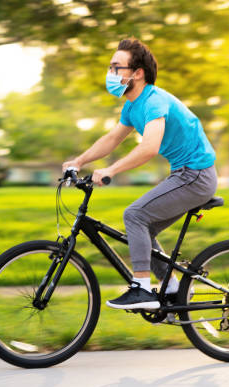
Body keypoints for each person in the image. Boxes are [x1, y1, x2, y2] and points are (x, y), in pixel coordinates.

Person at [62, 38, 217, 310]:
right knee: (142, 226)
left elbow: (149, 148)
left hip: (196, 175)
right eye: (110, 68)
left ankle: (142, 287)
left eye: (116, 67)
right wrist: (79, 160)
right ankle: (172, 288)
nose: (111, 74)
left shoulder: (154, 100)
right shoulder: (133, 106)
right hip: (184, 174)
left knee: (135, 215)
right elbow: (112, 139)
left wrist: (111, 170)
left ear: (137, 73)